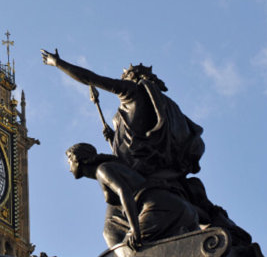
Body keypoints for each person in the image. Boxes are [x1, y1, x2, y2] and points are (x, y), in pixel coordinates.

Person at [42, 49, 204, 178]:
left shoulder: (131, 91)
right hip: (164, 170)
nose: (122, 80)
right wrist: (114, 139)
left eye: (124, 77)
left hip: (140, 168)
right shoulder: (169, 107)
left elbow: (90, 78)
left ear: (131, 77)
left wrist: (58, 63)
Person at [66, 143, 198, 249]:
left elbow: (124, 192)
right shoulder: (108, 168)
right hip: (171, 207)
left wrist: (135, 229)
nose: (69, 168)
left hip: (160, 209)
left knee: (126, 250)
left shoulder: (102, 170)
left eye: (69, 161)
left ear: (77, 160)